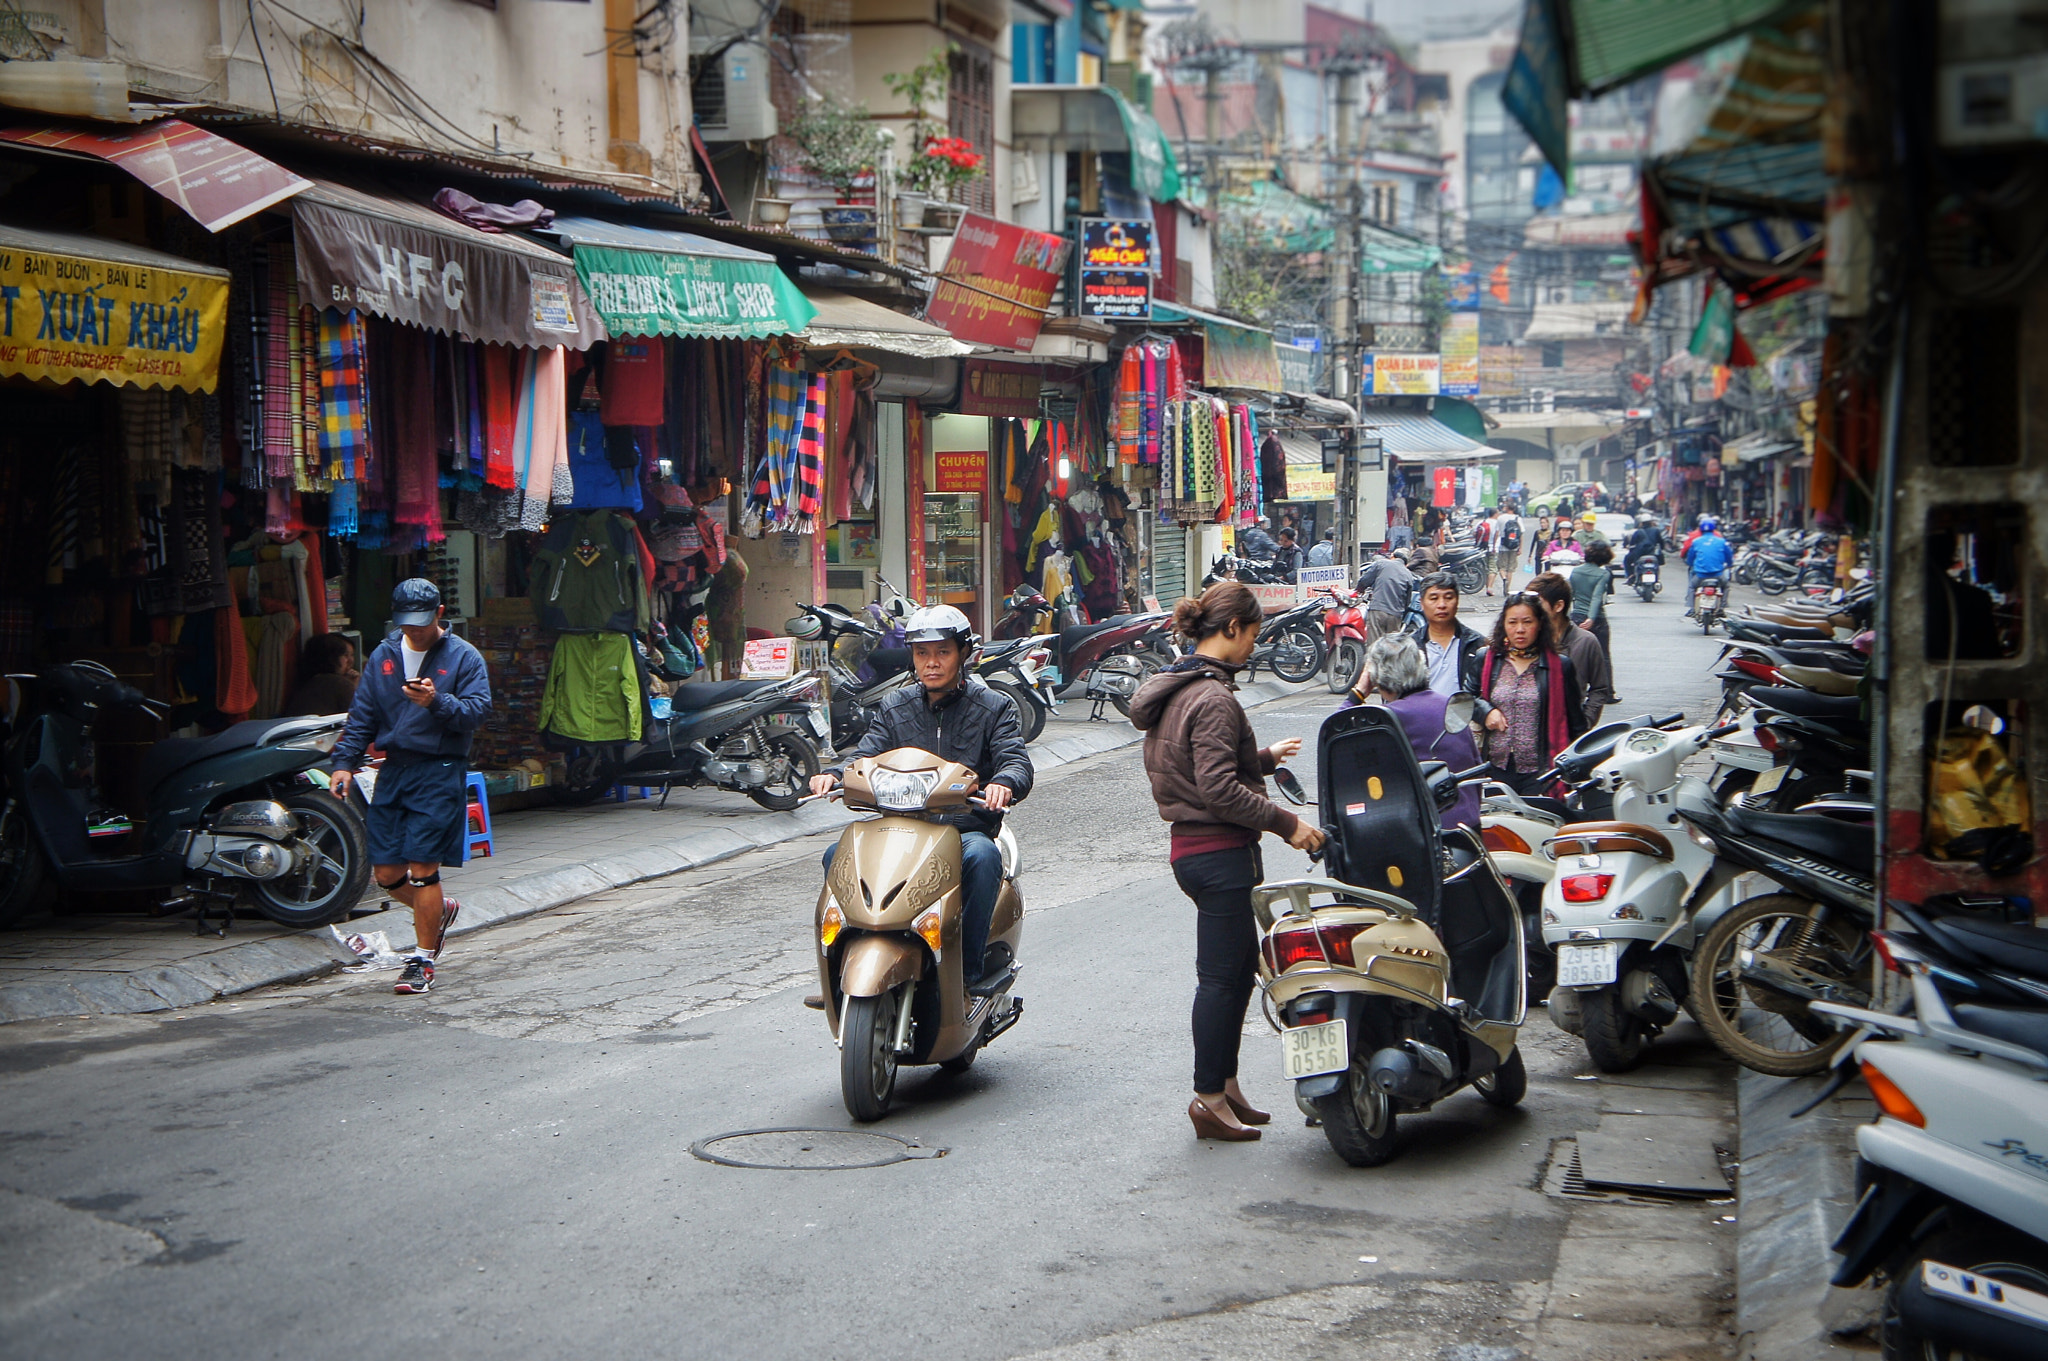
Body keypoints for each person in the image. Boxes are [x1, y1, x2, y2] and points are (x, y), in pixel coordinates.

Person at [1130, 582, 1324, 1142]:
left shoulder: (1184, 685)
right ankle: (1208, 1099)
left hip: (1198, 851)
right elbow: (1217, 790)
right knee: (1219, 982)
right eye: (1255, 632)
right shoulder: (1213, 696)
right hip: (1217, 853)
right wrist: (1290, 826)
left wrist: (1260, 757)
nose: (1254, 643)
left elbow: (1194, 764)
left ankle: (1227, 1085)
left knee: (1239, 974)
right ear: (1233, 628)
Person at [810, 605, 1032, 987]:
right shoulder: (896, 706)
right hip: (900, 830)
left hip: (962, 831)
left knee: (983, 857)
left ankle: (968, 974)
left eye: (942, 652)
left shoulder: (994, 707)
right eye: (922, 653)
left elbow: (1015, 760)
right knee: (837, 854)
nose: (931, 663)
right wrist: (834, 774)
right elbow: (868, 751)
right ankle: (843, 969)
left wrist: (1004, 783)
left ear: (964, 654)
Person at [330, 579, 493, 996]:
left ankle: (421, 960)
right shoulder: (384, 655)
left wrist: (436, 702)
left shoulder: (464, 657)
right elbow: (362, 713)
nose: (414, 631)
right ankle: (439, 909)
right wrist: (344, 763)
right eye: (406, 623)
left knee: (422, 869)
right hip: (394, 770)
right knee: (386, 871)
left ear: (439, 613)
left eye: (421, 622)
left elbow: (478, 712)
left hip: (440, 770)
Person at [1345, 635, 1484, 830]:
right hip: (1470, 824)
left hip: (1425, 836)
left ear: (1378, 677)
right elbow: (1475, 764)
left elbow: (1337, 736)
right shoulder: (1449, 704)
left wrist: (1358, 692)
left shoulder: (1389, 718)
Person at [1476, 592, 1589, 794]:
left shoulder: (1560, 666)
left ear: (1540, 624)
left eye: (1527, 622)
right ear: (1503, 625)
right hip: (1495, 769)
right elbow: (1467, 699)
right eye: (1512, 622)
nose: (1520, 630)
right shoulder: (1487, 659)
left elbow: (1576, 723)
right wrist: (1486, 711)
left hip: (1541, 772)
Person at [1529, 571, 1616, 728]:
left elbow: (1600, 689)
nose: (1531, 609)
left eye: (1538, 603)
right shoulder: (1528, 639)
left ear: (1558, 606)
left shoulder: (1585, 642)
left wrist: (1584, 722)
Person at [1406, 571, 1488, 698]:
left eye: (1448, 598)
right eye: (1434, 598)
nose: (1442, 605)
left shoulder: (1477, 645)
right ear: (1421, 603)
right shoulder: (1409, 647)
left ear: (1457, 601)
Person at [282, 632, 360, 717]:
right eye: (345, 655)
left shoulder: (310, 682)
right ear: (331, 658)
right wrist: (353, 686)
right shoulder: (338, 683)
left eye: (351, 655)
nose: (350, 661)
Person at [1357, 548, 1416, 641]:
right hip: (1395, 614)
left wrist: (1359, 590)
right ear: (1406, 562)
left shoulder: (1382, 563)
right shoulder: (1408, 574)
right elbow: (1407, 600)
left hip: (1378, 609)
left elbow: (1364, 581)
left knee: (1374, 643)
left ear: (1392, 556)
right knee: (1392, 645)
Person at [1569, 542, 1615, 660]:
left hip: (1577, 618)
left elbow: (1569, 594)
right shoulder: (1603, 574)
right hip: (1597, 620)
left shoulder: (1575, 571)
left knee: (1575, 655)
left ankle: (1575, 678)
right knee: (1603, 656)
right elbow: (1597, 597)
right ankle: (1604, 679)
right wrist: (1591, 618)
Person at [1684, 516, 1734, 614]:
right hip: (1718, 575)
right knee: (1726, 586)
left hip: (1700, 575)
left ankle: (1692, 608)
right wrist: (1730, 564)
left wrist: (1690, 564)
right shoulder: (1721, 541)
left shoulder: (1696, 541)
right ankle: (1722, 607)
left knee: (1692, 587)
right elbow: (1729, 556)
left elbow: (1690, 557)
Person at [1623, 513, 1661, 587]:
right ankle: (1657, 578)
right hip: (1652, 553)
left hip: (1639, 554)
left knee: (1627, 560)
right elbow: (1661, 542)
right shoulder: (1656, 530)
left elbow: (1632, 544)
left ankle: (1631, 575)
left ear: (1641, 523)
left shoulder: (1638, 532)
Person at [1491, 507, 1523, 595]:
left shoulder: (1500, 518)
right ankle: (1507, 589)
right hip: (1514, 547)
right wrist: (1520, 547)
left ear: (1507, 509)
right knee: (1510, 568)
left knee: (1501, 567)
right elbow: (1521, 534)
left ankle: (1504, 578)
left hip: (1503, 546)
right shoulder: (1518, 518)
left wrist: (1494, 546)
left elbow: (1497, 533)